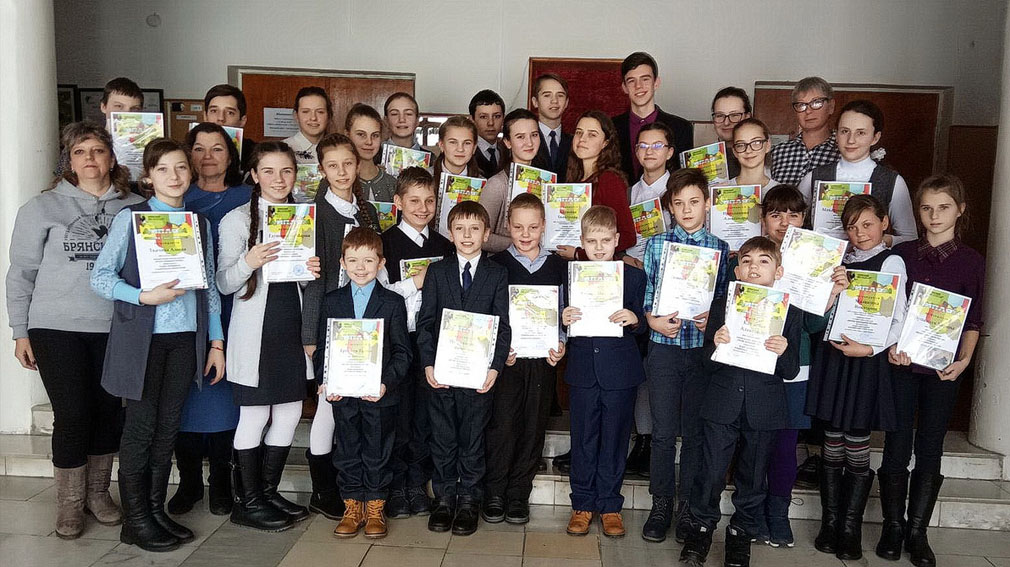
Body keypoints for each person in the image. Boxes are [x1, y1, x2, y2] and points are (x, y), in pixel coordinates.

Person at [6, 121, 144, 539]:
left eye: (97, 151)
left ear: (111, 158)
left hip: (116, 326)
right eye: (80, 152)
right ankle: (69, 502)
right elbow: (21, 273)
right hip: (55, 326)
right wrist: (19, 330)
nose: (90, 159)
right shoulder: (41, 208)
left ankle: (98, 494)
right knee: (72, 414)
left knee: (107, 412)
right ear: (68, 160)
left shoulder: (136, 207)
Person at [91, 138, 225, 552]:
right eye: (163, 169)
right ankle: (135, 520)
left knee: (168, 428)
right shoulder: (131, 219)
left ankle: (154, 510)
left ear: (191, 172)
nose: (174, 176)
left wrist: (216, 342)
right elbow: (100, 277)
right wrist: (141, 296)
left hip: (185, 340)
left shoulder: (199, 223)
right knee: (141, 428)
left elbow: (209, 289)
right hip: (143, 341)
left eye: (181, 167)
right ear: (148, 176)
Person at [877, 174, 985, 567]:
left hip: (944, 370)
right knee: (896, 444)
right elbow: (886, 308)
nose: (934, 215)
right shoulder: (902, 254)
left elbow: (974, 319)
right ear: (917, 211)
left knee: (930, 447)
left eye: (943, 207)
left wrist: (965, 360)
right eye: (926, 208)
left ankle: (917, 531)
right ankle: (892, 526)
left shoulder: (972, 261)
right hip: (902, 366)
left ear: (960, 210)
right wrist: (891, 346)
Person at [678, 236, 802, 567]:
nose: (754, 268)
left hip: (764, 407)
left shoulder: (789, 312)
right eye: (746, 261)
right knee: (711, 472)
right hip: (722, 403)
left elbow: (790, 370)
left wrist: (784, 351)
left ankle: (740, 535)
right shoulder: (722, 306)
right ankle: (700, 531)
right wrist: (716, 344)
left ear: (778, 271)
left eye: (763, 261)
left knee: (753, 477)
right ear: (737, 270)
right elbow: (706, 363)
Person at [216, 141, 320, 532]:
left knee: (290, 412)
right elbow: (223, 283)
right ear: (254, 175)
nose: (279, 179)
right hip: (256, 331)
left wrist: (311, 271)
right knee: (255, 414)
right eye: (270, 171)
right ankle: (248, 501)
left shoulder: (302, 217)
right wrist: (249, 261)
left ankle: (267, 491)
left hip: (293, 327)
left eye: (287, 171)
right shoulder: (237, 220)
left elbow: (307, 282)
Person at [807, 194, 908, 561]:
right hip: (834, 357)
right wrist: (833, 289)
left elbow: (898, 316)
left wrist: (870, 349)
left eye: (867, 224)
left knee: (856, 440)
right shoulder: (837, 261)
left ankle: (850, 527)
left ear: (884, 223)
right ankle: (830, 522)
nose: (860, 233)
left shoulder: (891, 261)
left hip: (866, 360)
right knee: (831, 437)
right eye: (852, 227)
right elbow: (816, 312)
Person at [168, 122, 253, 517]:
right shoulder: (176, 199)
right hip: (185, 309)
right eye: (199, 148)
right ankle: (189, 482)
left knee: (224, 396)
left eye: (217, 148)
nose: (207, 156)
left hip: (237, 308)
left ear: (230, 155)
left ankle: (221, 481)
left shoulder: (249, 197)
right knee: (186, 395)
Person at [641, 168, 730, 544]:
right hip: (663, 348)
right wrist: (652, 320)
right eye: (679, 203)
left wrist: (713, 319)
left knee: (694, 434)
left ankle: (688, 507)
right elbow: (648, 294)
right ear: (670, 209)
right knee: (662, 433)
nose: (687, 209)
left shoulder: (721, 247)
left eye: (694, 202)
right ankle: (661, 503)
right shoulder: (657, 245)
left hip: (700, 352)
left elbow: (724, 298)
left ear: (707, 204)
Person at [416, 200, 511, 536]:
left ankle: (469, 499)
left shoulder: (497, 274)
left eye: (474, 229)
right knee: (443, 438)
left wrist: (495, 367)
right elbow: (425, 322)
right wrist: (428, 363)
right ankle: (444, 499)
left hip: (478, 375)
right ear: (450, 233)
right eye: (460, 229)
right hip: (442, 373)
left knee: (472, 438)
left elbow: (503, 325)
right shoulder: (437, 272)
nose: (467, 235)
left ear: (486, 234)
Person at [301, 133, 381, 521]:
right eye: (333, 166)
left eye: (348, 163)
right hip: (330, 324)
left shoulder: (367, 211)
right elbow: (313, 283)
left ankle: (355, 485)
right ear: (321, 170)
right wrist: (310, 336)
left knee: (355, 408)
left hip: (366, 323)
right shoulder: (315, 215)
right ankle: (323, 490)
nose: (342, 172)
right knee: (328, 407)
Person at [319, 228, 412, 539]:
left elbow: (402, 352)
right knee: (347, 449)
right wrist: (326, 380)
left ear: (381, 263)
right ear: (342, 262)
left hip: (380, 395)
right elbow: (323, 348)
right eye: (353, 260)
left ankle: (375, 507)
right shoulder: (332, 301)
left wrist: (385, 383)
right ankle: (352, 506)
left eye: (369, 260)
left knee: (377, 451)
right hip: (343, 394)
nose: (361, 267)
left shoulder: (392, 302)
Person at [562, 205, 647, 539]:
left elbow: (645, 323)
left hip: (620, 371)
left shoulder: (634, 277)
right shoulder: (570, 275)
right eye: (592, 241)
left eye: (605, 241)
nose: (599, 248)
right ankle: (582, 504)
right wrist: (563, 318)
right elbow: (556, 318)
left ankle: (610, 505)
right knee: (583, 439)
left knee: (615, 440)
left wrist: (635, 319)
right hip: (583, 370)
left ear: (617, 239)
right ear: (582, 241)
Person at [484, 193, 567, 525]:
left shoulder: (559, 267)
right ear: (508, 225)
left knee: (533, 426)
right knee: (502, 426)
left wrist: (561, 342)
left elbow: (565, 313)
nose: (525, 233)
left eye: (533, 227)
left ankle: (519, 493)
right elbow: (489, 314)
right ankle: (495, 492)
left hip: (543, 361)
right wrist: (498, 349)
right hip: (508, 361)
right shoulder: (496, 266)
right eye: (518, 227)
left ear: (544, 226)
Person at [379, 167, 453, 518]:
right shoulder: (384, 244)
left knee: (426, 416)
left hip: (433, 343)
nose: (423, 208)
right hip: (398, 342)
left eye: (429, 201)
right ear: (398, 202)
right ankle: (396, 486)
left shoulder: (444, 246)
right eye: (414, 201)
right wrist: (416, 282)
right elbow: (378, 296)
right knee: (399, 416)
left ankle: (417, 483)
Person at [755, 185, 816, 548]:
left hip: (795, 366)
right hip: (752, 364)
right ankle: (752, 512)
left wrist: (828, 295)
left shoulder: (812, 264)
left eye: (793, 214)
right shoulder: (749, 257)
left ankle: (778, 514)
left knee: (785, 444)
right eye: (776, 214)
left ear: (803, 219)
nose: (784, 222)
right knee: (754, 443)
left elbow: (815, 326)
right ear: (763, 219)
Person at [799, 99, 917, 246]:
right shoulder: (814, 177)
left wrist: (877, 240)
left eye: (860, 133)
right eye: (845, 131)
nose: (851, 140)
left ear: (875, 137)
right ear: (836, 134)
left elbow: (910, 238)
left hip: (872, 260)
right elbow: (792, 224)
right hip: (822, 259)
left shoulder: (892, 182)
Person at [556, 111, 637, 259]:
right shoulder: (573, 179)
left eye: (592, 135)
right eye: (579, 132)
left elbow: (628, 236)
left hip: (596, 268)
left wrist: (578, 254)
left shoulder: (609, 180)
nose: (582, 139)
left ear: (605, 143)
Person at [612, 52, 693, 181]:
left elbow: (685, 177)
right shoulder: (611, 127)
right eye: (631, 81)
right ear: (624, 87)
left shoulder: (681, 128)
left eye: (645, 79)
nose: (638, 86)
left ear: (656, 83)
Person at [479, 109, 543, 252]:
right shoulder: (497, 184)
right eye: (520, 137)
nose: (529, 143)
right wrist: (524, 243)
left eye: (534, 135)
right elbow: (481, 236)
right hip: (504, 262)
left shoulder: (548, 182)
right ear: (507, 142)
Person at [770, 76, 840, 185]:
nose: (808, 111)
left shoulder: (842, 151)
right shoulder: (778, 153)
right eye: (801, 105)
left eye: (816, 103)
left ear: (831, 106)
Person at [626, 122, 675, 266]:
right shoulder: (627, 194)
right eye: (643, 146)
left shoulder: (680, 191)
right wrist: (626, 259)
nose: (649, 151)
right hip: (633, 268)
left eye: (657, 145)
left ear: (670, 152)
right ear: (636, 152)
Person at [431, 116, 482, 233]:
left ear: (474, 148)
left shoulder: (483, 184)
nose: (460, 149)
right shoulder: (425, 178)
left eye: (467, 143)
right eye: (453, 142)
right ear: (441, 145)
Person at [345, 103, 397, 202]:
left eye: (375, 135)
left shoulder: (392, 183)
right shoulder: (339, 182)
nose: (369, 142)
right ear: (348, 135)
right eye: (361, 134)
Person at [202, 83, 256, 170]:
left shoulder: (255, 154)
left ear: (242, 121)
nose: (221, 118)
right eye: (214, 111)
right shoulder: (189, 151)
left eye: (230, 113)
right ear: (205, 117)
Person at [531, 73, 573, 181]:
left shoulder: (575, 142)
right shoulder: (526, 140)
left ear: (566, 102)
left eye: (560, 95)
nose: (554, 101)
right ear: (535, 102)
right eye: (547, 95)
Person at [711, 87, 753, 180]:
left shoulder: (762, 155)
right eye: (720, 115)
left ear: (747, 117)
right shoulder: (703, 158)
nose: (726, 122)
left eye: (734, 115)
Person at [728, 118, 779, 192]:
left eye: (756, 142)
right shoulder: (722, 190)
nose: (748, 150)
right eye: (741, 145)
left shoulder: (782, 192)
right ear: (734, 151)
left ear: (768, 145)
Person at [284, 86, 332, 165]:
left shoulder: (339, 148)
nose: (313, 118)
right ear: (296, 115)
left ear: (329, 115)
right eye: (305, 112)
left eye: (320, 112)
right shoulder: (283, 149)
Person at [469, 89, 508, 178]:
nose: (491, 123)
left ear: (503, 119)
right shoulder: (465, 151)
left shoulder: (508, 151)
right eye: (483, 117)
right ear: (472, 120)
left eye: (497, 116)